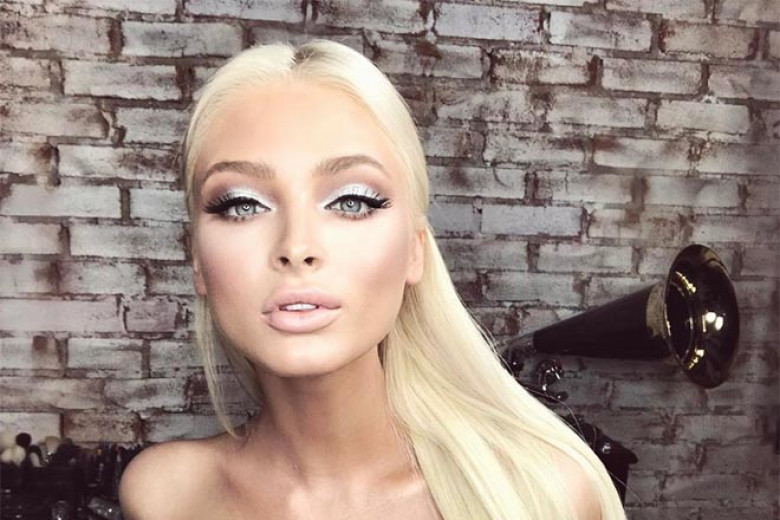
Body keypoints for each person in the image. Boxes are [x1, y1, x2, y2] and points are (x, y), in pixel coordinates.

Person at [118, 39, 627, 520]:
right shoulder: (165, 494)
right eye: (242, 205)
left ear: (414, 251)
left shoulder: (546, 493)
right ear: (198, 261)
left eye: (352, 201)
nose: (296, 246)